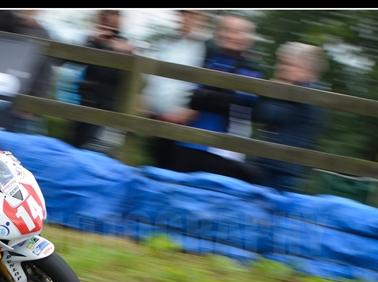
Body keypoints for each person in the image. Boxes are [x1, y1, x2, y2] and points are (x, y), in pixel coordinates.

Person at [161, 14, 263, 183]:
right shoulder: (208, 58)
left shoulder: (250, 68)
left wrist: (201, 97)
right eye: (225, 29)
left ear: (247, 38)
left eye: (236, 32)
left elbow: (240, 101)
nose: (229, 35)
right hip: (187, 141)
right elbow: (190, 92)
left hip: (221, 149)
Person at [252, 42, 327, 192]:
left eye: (288, 64)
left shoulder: (308, 94)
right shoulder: (298, 91)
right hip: (271, 163)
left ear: (307, 69)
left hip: (284, 169)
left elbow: (269, 114)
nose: (281, 68)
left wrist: (272, 91)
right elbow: (258, 114)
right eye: (280, 63)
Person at [140, 9, 209, 167]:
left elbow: (206, 85)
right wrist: (146, 102)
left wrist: (189, 113)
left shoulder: (206, 47)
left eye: (190, 14)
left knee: (174, 169)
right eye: (182, 14)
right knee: (155, 164)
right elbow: (155, 78)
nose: (184, 18)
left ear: (201, 17)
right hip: (157, 119)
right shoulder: (169, 43)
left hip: (183, 125)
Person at [70, 10, 135, 151]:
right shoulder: (92, 41)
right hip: (85, 104)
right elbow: (71, 59)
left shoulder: (125, 45)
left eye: (114, 15)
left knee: (101, 151)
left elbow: (126, 78)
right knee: (76, 147)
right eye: (107, 15)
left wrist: (121, 51)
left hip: (109, 109)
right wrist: (92, 40)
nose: (110, 19)